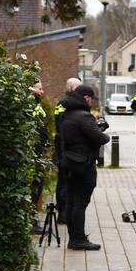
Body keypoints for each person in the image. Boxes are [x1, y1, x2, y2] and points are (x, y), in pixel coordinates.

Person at [58, 84, 109, 250]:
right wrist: (103, 133)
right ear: (86, 97)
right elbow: (100, 138)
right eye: (91, 99)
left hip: (70, 163)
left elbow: (78, 135)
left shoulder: (67, 114)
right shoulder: (84, 116)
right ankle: (78, 239)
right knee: (80, 203)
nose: (91, 102)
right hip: (84, 165)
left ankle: (74, 238)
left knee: (72, 202)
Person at [53, 77, 82, 224]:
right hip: (64, 148)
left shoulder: (64, 103)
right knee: (64, 181)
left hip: (66, 147)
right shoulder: (65, 104)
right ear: (72, 89)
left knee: (66, 181)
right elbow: (63, 127)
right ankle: (62, 212)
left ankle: (67, 210)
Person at [30, 82, 49, 233]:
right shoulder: (30, 104)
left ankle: (33, 220)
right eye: (39, 88)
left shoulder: (37, 104)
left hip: (39, 150)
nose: (42, 91)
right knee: (34, 188)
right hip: (34, 152)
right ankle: (32, 222)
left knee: (38, 187)